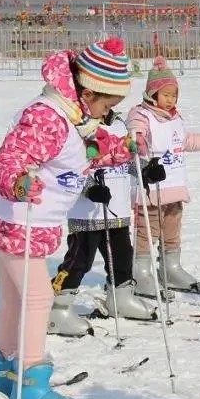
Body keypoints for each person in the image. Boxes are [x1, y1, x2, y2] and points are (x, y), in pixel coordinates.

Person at [0, 38, 136, 399]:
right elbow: (10, 157)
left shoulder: (75, 116)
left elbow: (82, 152)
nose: (109, 113)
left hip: (18, 220)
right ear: (88, 91)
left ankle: (4, 377)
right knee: (38, 298)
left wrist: (122, 149)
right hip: (17, 219)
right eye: (108, 104)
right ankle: (30, 386)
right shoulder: (48, 115)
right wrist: (17, 181)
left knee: (16, 298)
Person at [48, 103, 155, 337]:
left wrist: (144, 170)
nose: (108, 104)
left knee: (122, 257)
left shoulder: (119, 123)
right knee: (80, 260)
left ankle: (121, 297)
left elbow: (124, 157)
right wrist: (90, 188)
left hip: (116, 207)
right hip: (86, 211)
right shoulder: (78, 125)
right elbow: (71, 165)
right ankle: (57, 306)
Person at [127, 56, 200, 297]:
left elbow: (186, 141)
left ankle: (170, 268)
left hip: (174, 185)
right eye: (166, 94)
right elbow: (134, 134)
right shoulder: (141, 114)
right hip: (151, 187)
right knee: (147, 230)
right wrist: (138, 141)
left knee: (172, 228)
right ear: (152, 94)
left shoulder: (174, 118)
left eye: (174, 95)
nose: (171, 99)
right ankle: (139, 271)